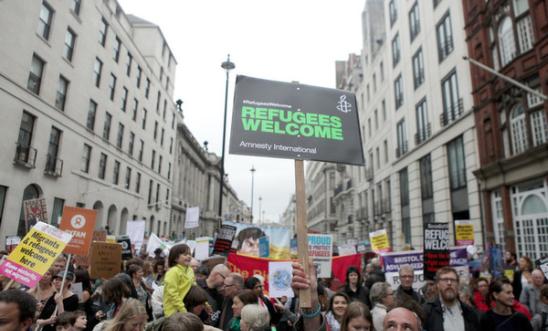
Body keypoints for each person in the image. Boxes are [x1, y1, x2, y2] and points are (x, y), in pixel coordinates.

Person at [422, 266, 480, 331]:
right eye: (445, 280)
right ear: (438, 284)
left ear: (458, 284)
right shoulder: (427, 311)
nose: (449, 283)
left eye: (453, 280)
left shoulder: (469, 313)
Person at [163, 244, 194, 317]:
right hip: (174, 311)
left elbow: (194, 287)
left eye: (189, 254)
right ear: (175, 258)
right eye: (185, 254)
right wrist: (182, 310)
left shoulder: (190, 270)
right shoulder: (173, 272)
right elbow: (172, 294)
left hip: (187, 308)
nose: (189, 256)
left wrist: (204, 303)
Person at [199, 264, 230, 328]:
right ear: (217, 275)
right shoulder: (197, 287)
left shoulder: (221, 294)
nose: (226, 282)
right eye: (225, 278)